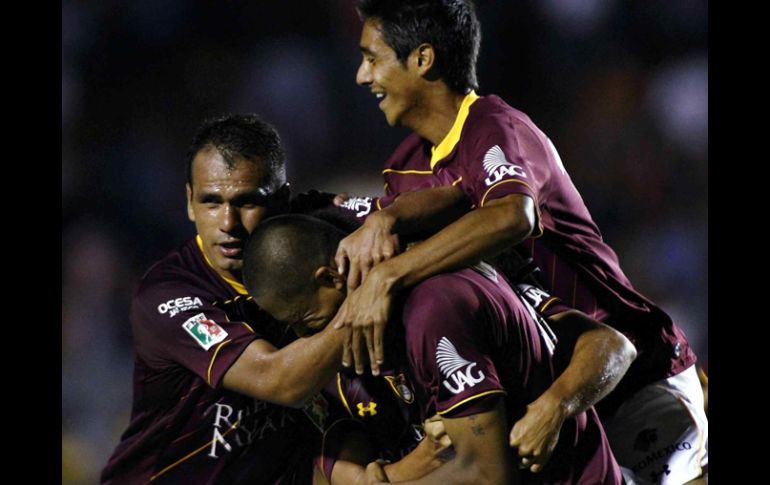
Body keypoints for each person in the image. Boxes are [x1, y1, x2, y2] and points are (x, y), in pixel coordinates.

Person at [330, 1, 708, 483]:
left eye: (372, 57)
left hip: (631, 381)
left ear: (422, 59)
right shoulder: (405, 168)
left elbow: (514, 214)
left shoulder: (495, 125)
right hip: (546, 402)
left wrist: (387, 275)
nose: (363, 77)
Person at [243, 214, 634, 484]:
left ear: (329, 277)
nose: (303, 334)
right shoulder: (361, 348)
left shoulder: (435, 306)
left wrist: (557, 404)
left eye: (303, 317)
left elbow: (487, 473)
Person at [101, 114, 352, 484]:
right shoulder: (169, 295)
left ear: (282, 199)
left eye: (247, 202)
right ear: (189, 202)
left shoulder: (311, 232)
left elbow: (411, 212)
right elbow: (282, 381)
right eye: (211, 202)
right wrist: (368, 298)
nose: (228, 223)